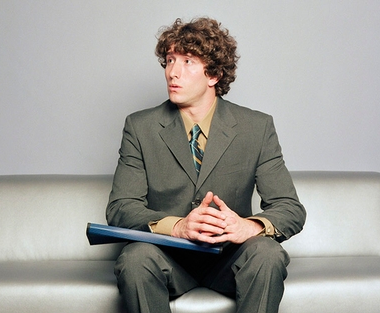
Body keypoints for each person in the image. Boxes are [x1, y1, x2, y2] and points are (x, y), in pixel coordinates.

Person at [106, 17, 306, 313]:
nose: (172, 72)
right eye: (169, 60)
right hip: (167, 259)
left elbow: (290, 208)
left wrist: (247, 226)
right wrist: (177, 227)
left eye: (187, 61)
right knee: (135, 258)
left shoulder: (256, 127)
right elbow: (120, 207)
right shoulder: (140, 127)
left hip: (230, 259)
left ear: (213, 74)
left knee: (267, 253)